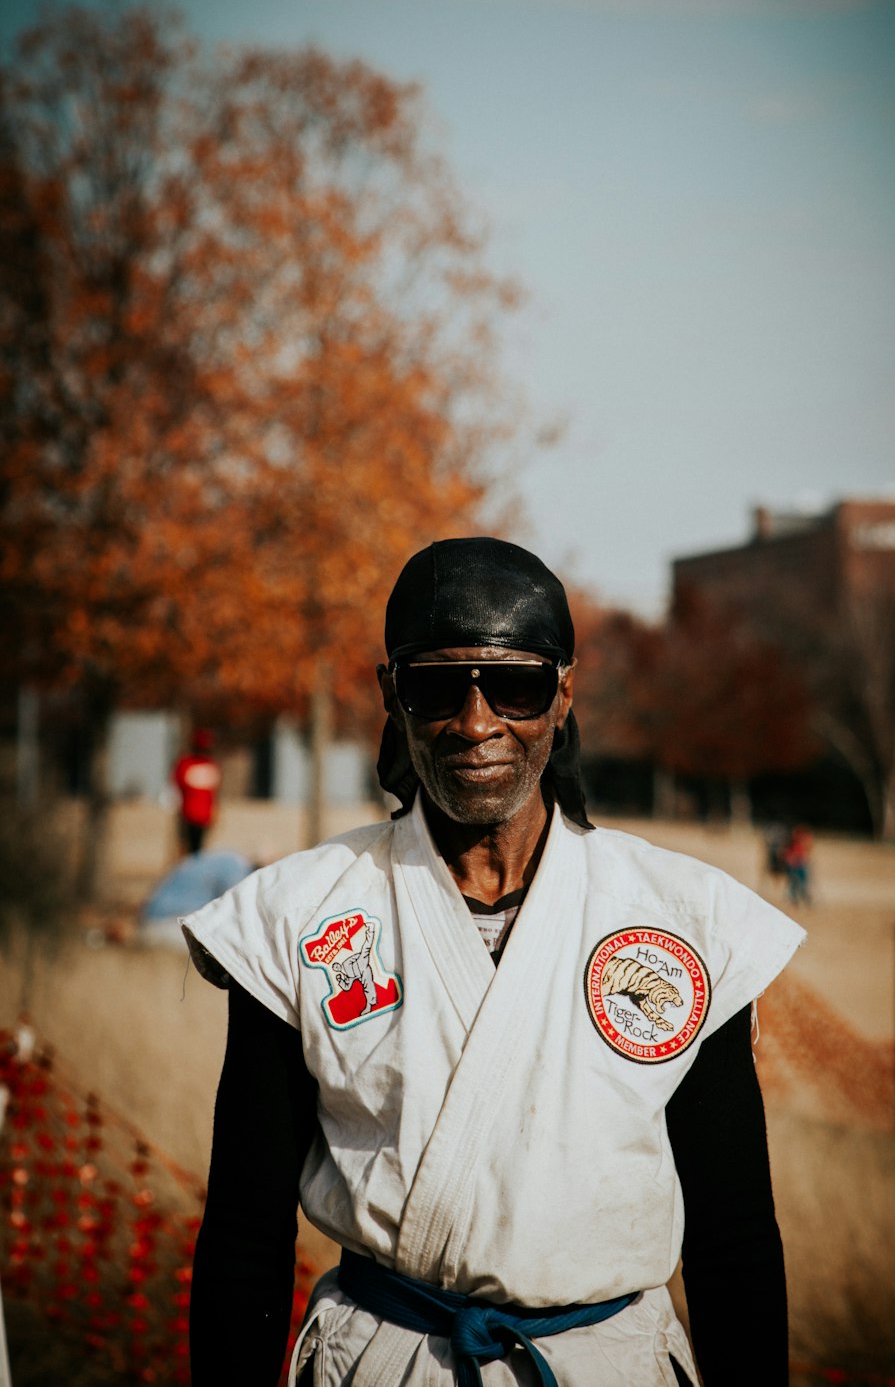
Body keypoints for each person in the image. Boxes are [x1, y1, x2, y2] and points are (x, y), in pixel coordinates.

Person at [182, 538, 806, 1387]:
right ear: (391, 694)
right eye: (437, 685)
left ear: (565, 691)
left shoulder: (686, 921)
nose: (476, 723)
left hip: (614, 1363)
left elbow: (732, 1236)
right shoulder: (294, 917)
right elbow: (245, 1234)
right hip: (382, 1362)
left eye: (516, 684)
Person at [173, 728, 222, 854]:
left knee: (196, 848)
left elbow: (213, 793)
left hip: (200, 814)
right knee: (190, 846)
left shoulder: (190, 764)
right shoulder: (188, 764)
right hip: (190, 813)